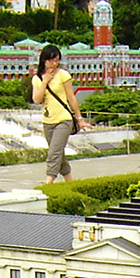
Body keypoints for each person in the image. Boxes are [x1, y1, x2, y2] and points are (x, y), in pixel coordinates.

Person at [30, 44, 90, 183]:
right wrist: (45, 81)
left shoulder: (63, 75)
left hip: (64, 119)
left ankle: (48, 183)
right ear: (43, 60)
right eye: (51, 60)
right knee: (59, 154)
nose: (54, 64)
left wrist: (79, 118)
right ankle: (70, 183)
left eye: (57, 60)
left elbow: (71, 97)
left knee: (53, 153)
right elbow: (37, 100)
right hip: (48, 121)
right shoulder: (37, 79)